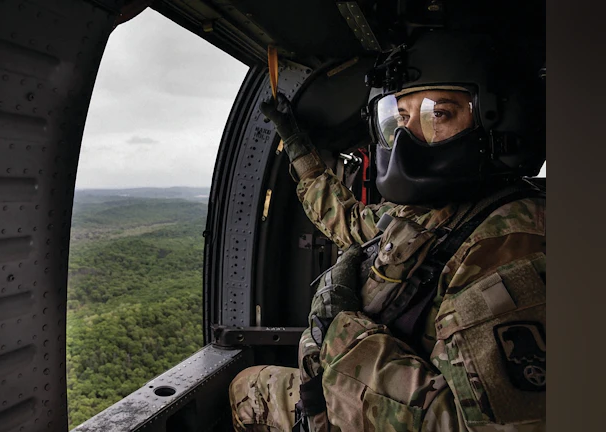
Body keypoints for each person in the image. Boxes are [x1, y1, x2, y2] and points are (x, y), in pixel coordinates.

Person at [229, 30, 546, 432]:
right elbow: (343, 220)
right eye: (401, 118)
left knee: (248, 391)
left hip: (357, 400)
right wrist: (295, 143)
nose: (405, 137)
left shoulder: (512, 246)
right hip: (348, 391)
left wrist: (341, 329)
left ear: (499, 118)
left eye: (439, 113)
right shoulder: (432, 212)